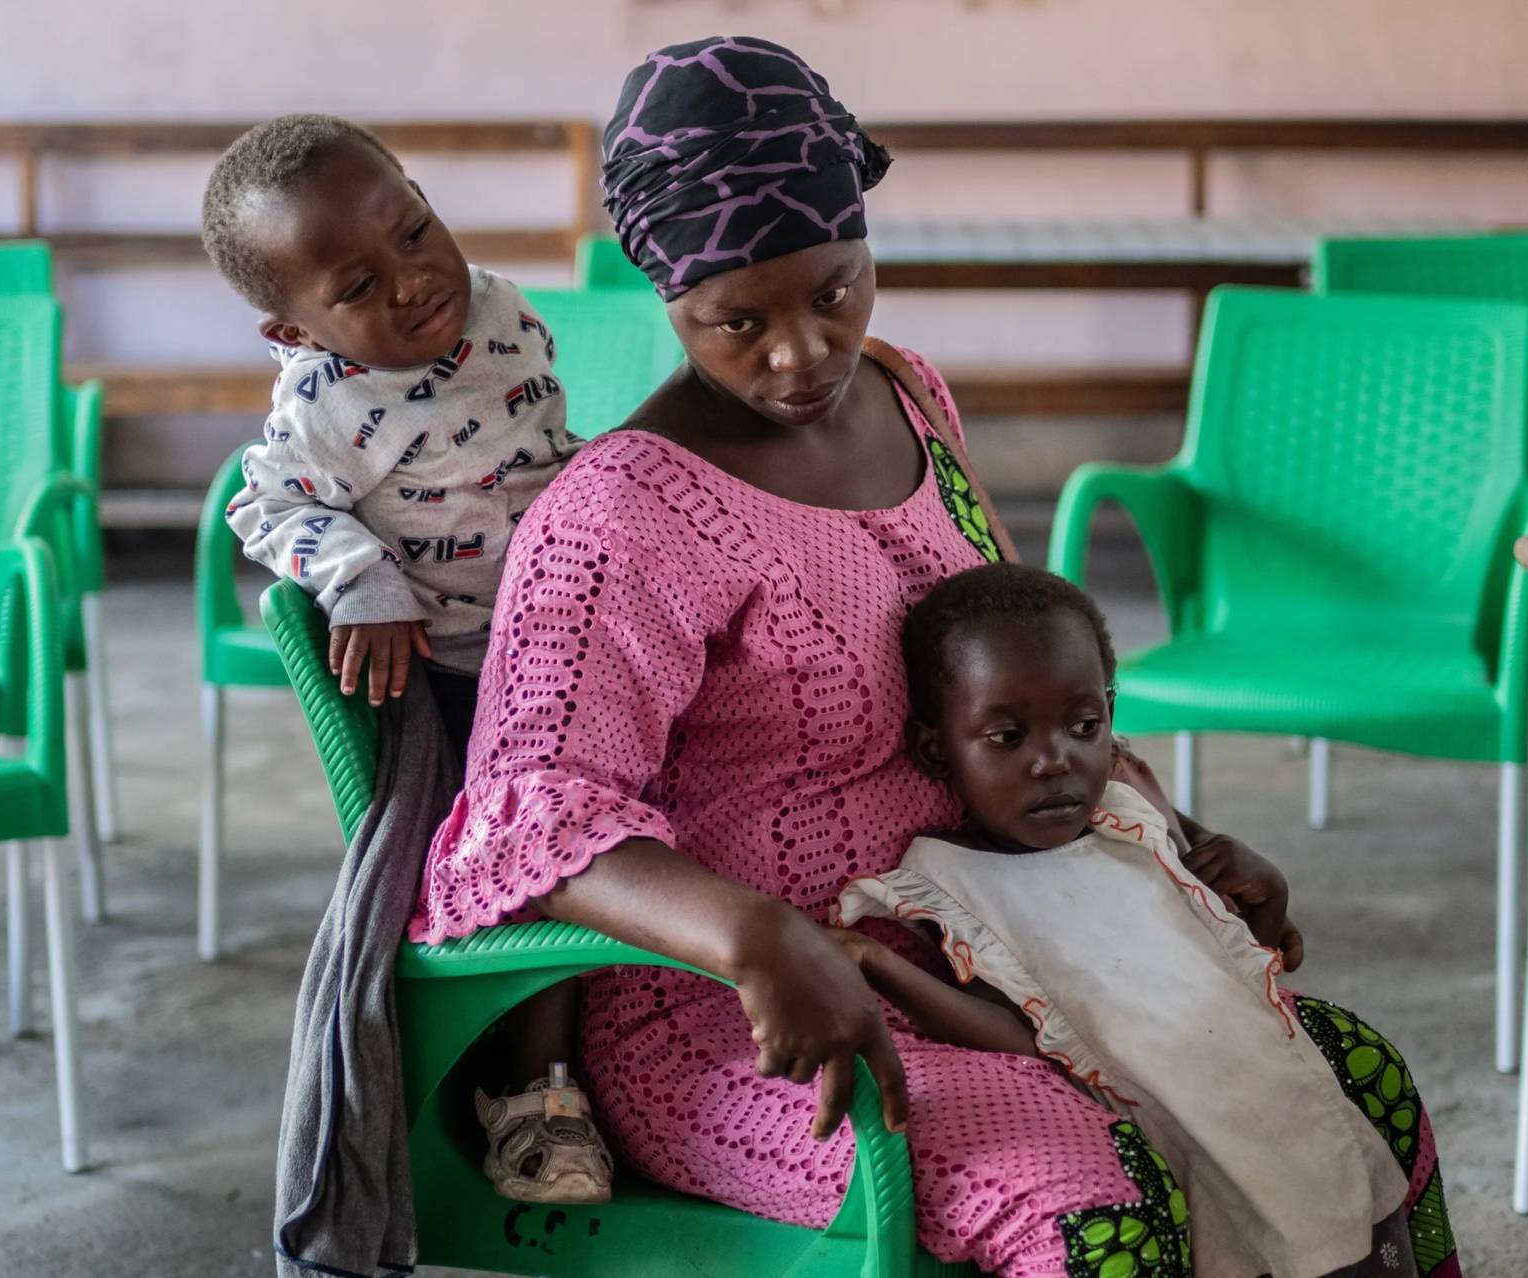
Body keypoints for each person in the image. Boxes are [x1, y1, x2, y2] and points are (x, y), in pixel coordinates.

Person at [412, 35, 1463, 1277]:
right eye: (735, 321)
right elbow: (530, 818)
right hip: (754, 1024)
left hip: (1003, 937)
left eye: (835, 291)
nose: (801, 353)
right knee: (1103, 1213)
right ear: (665, 298)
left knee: (1359, 1090)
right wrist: (760, 937)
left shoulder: (909, 398)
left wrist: (1169, 856)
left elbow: (1013, 681)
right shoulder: (618, 516)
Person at [200, 114, 610, 1205]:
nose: (414, 281)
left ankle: (620, 1066)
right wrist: (363, 579)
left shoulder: (503, 309)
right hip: (455, 674)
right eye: (357, 285)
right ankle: (532, 1096)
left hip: (563, 646)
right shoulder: (326, 402)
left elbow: (540, 457)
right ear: (290, 331)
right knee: (534, 862)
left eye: (416, 231)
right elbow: (264, 504)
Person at [835, 564, 1413, 1277]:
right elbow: (1024, 1036)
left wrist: (1261, 887)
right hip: (1162, 1121)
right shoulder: (951, 883)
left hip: (1262, 1082)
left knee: (1350, 1167)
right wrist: (882, 967)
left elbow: (1223, 953)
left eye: (1083, 726)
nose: (1055, 761)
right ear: (936, 749)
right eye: (1007, 737)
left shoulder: (1129, 818)